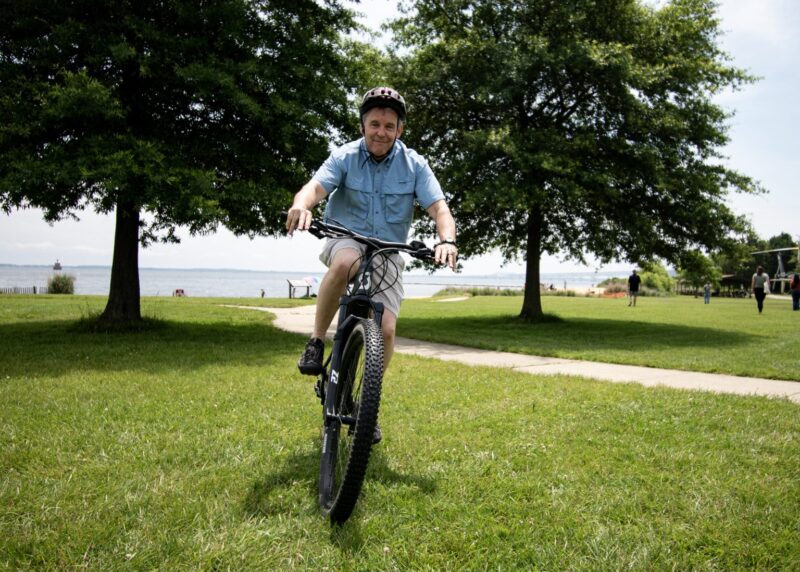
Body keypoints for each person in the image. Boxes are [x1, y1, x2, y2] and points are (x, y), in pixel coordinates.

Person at [285, 87, 457, 442]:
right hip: (346, 238)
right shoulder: (345, 156)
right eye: (375, 124)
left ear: (400, 130)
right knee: (345, 262)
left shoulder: (415, 165)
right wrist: (302, 206)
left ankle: (366, 405)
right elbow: (314, 188)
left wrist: (446, 240)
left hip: (388, 251)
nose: (381, 132)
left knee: (388, 330)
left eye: (389, 126)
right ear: (363, 125)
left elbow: (440, 209)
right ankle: (316, 341)